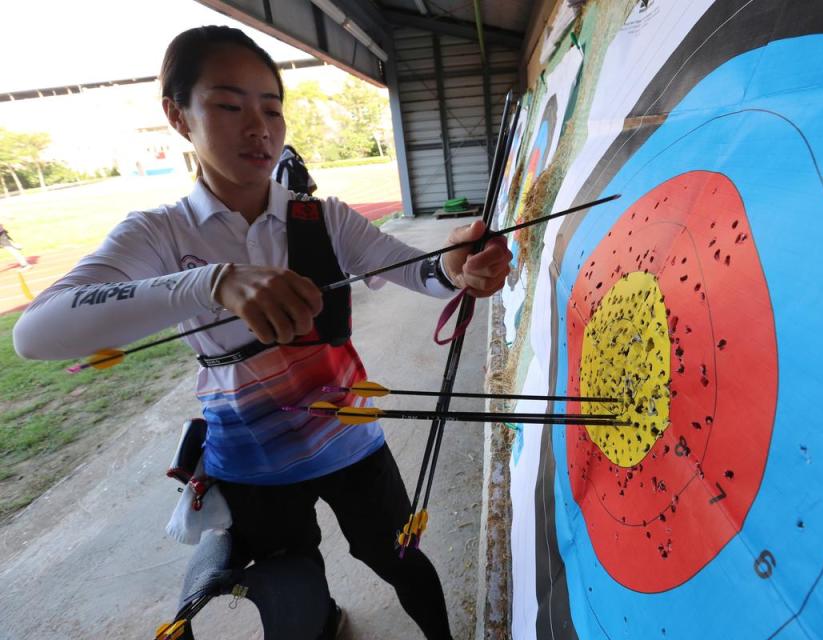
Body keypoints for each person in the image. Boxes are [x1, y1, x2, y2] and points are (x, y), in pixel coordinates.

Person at [12, 25, 511, 640]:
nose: (260, 127)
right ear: (178, 116)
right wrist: (210, 282)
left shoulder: (320, 217)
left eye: (271, 108)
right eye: (228, 105)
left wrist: (459, 266)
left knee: (398, 556)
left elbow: (420, 272)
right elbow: (37, 333)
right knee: (293, 574)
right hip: (251, 457)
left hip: (348, 438)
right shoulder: (160, 234)